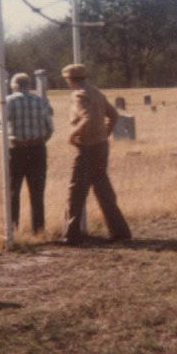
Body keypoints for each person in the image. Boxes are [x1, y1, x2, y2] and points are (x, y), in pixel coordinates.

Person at [61, 63, 132, 246]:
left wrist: (72, 134)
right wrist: (106, 134)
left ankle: (71, 236)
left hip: (87, 148)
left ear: (70, 80)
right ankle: (120, 231)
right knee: (103, 190)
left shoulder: (79, 94)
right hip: (101, 146)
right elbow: (114, 115)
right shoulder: (96, 91)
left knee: (75, 191)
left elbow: (88, 118)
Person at [0, 72, 53, 234]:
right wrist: (39, 140)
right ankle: (38, 230)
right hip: (38, 149)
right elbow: (50, 128)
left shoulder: (9, 101)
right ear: (28, 85)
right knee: (37, 192)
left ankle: (13, 230)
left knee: (13, 191)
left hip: (16, 150)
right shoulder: (41, 101)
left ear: (13, 85)